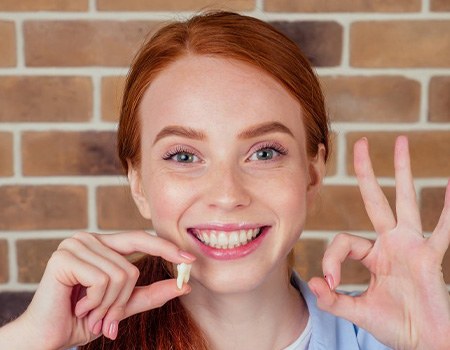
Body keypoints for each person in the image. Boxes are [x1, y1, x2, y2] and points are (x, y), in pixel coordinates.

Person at [0, 11, 449, 350]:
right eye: (183, 155)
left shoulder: (397, 338)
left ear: (312, 173)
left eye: (265, 152)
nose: (227, 194)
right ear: (138, 183)